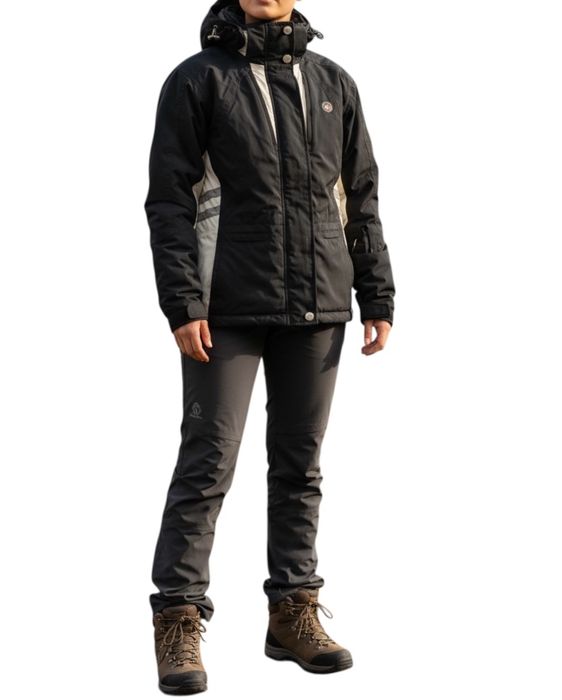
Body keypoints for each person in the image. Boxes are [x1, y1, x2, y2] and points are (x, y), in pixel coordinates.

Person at [144, 0, 396, 694]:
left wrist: (376, 293)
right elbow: (168, 199)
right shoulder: (197, 79)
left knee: (299, 466)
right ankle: (178, 616)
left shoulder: (334, 83)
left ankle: (292, 611)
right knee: (208, 461)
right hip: (223, 308)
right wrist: (184, 301)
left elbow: (360, 194)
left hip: (319, 303)